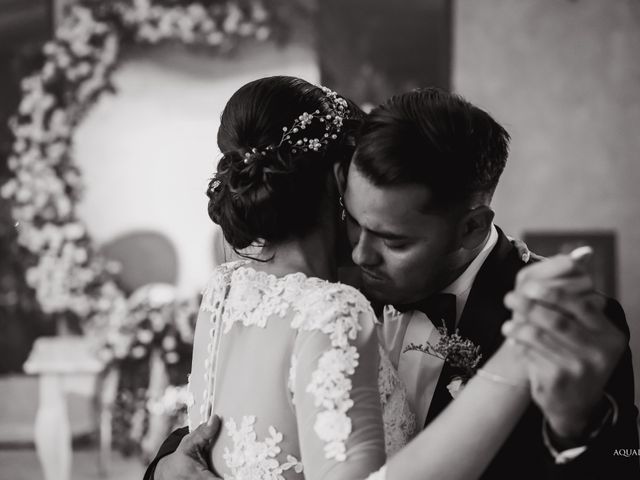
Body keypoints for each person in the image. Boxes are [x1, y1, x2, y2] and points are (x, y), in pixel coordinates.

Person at [144, 83, 638, 479]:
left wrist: (578, 427)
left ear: (472, 227)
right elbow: (241, 423)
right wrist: (165, 468)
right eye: (355, 221)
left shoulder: (568, 320)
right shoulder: (323, 288)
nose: (361, 252)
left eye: (393, 241)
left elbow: (626, 460)